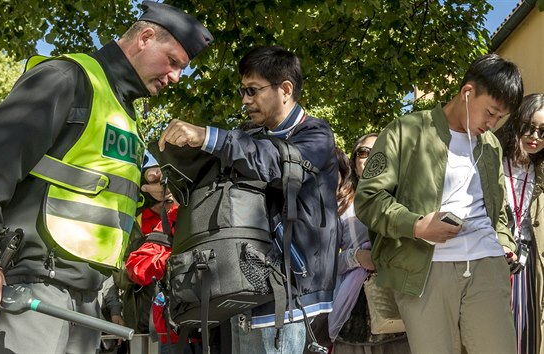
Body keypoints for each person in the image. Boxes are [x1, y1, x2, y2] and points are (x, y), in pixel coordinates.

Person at [0, 2, 213, 353]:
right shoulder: (68, 77)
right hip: (30, 286)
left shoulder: (122, 110)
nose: (175, 77)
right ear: (146, 37)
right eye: (173, 62)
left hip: (84, 298)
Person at [157, 45, 339, 354]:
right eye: (242, 90)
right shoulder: (248, 136)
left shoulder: (316, 135)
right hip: (240, 289)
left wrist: (208, 137)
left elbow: (276, 164)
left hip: (291, 299)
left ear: (285, 89)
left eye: (252, 90)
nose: (245, 100)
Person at [354, 53, 523, 354]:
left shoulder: (491, 146)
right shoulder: (405, 131)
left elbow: (497, 211)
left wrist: (503, 242)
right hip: (425, 271)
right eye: (491, 112)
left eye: (501, 118)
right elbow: (368, 199)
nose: (493, 124)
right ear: (468, 93)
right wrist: (417, 226)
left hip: (487, 265)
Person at [324, 134, 410, 353]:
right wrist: (357, 257)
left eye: (379, 151)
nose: (370, 157)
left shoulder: (406, 199)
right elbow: (326, 263)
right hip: (354, 313)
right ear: (354, 161)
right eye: (363, 152)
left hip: (400, 306)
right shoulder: (341, 204)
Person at [495, 93, 544, 354]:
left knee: (527, 333)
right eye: (529, 127)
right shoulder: (493, 160)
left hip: (528, 260)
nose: (535, 137)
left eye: (543, 131)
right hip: (493, 256)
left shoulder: (541, 170)